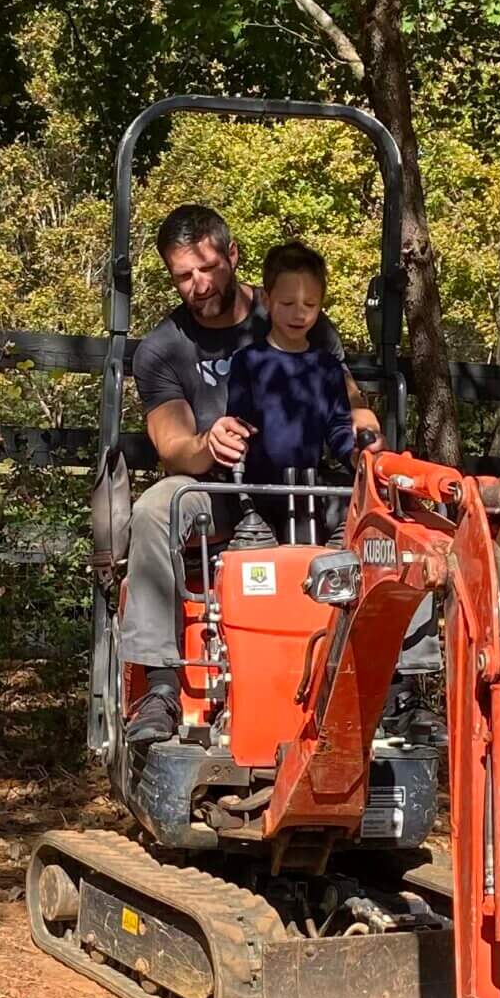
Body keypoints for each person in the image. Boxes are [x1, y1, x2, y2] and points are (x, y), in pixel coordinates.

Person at [122, 205, 379, 749]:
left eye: (208, 268)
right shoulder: (163, 348)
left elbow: (347, 401)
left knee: (391, 519)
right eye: (183, 275)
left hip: (302, 481)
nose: (198, 284)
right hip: (218, 489)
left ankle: (395, 690)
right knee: (153, 510)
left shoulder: (289, 305)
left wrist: (365, 434)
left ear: (233, 256)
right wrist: (207, 443)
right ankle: (160, 686)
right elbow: (173, 447)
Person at [226, 242, 356, 488]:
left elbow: (338, 427)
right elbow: (239, 423)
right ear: (266, 299)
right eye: (287, 304)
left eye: (310, 305)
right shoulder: (247, 361)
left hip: (310, 488)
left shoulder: (327, 366)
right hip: (256, 489)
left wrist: (354, 455)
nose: (299, 315)